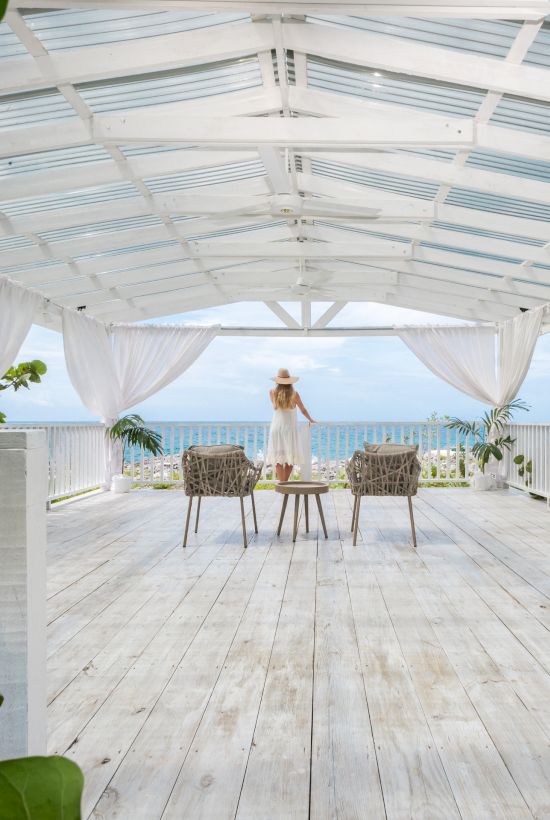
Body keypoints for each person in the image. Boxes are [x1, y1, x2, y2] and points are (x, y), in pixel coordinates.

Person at [266, 367, 317, 482]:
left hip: (277, 428)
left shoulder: (272, 392)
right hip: (290, 429)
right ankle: (284, 483)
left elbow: (275, 407)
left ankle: (282, 484)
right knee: (291, 457)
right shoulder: (294, 394)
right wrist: (311, 419)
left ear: (277, 381)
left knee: (278, 458)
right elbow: (303, 410)